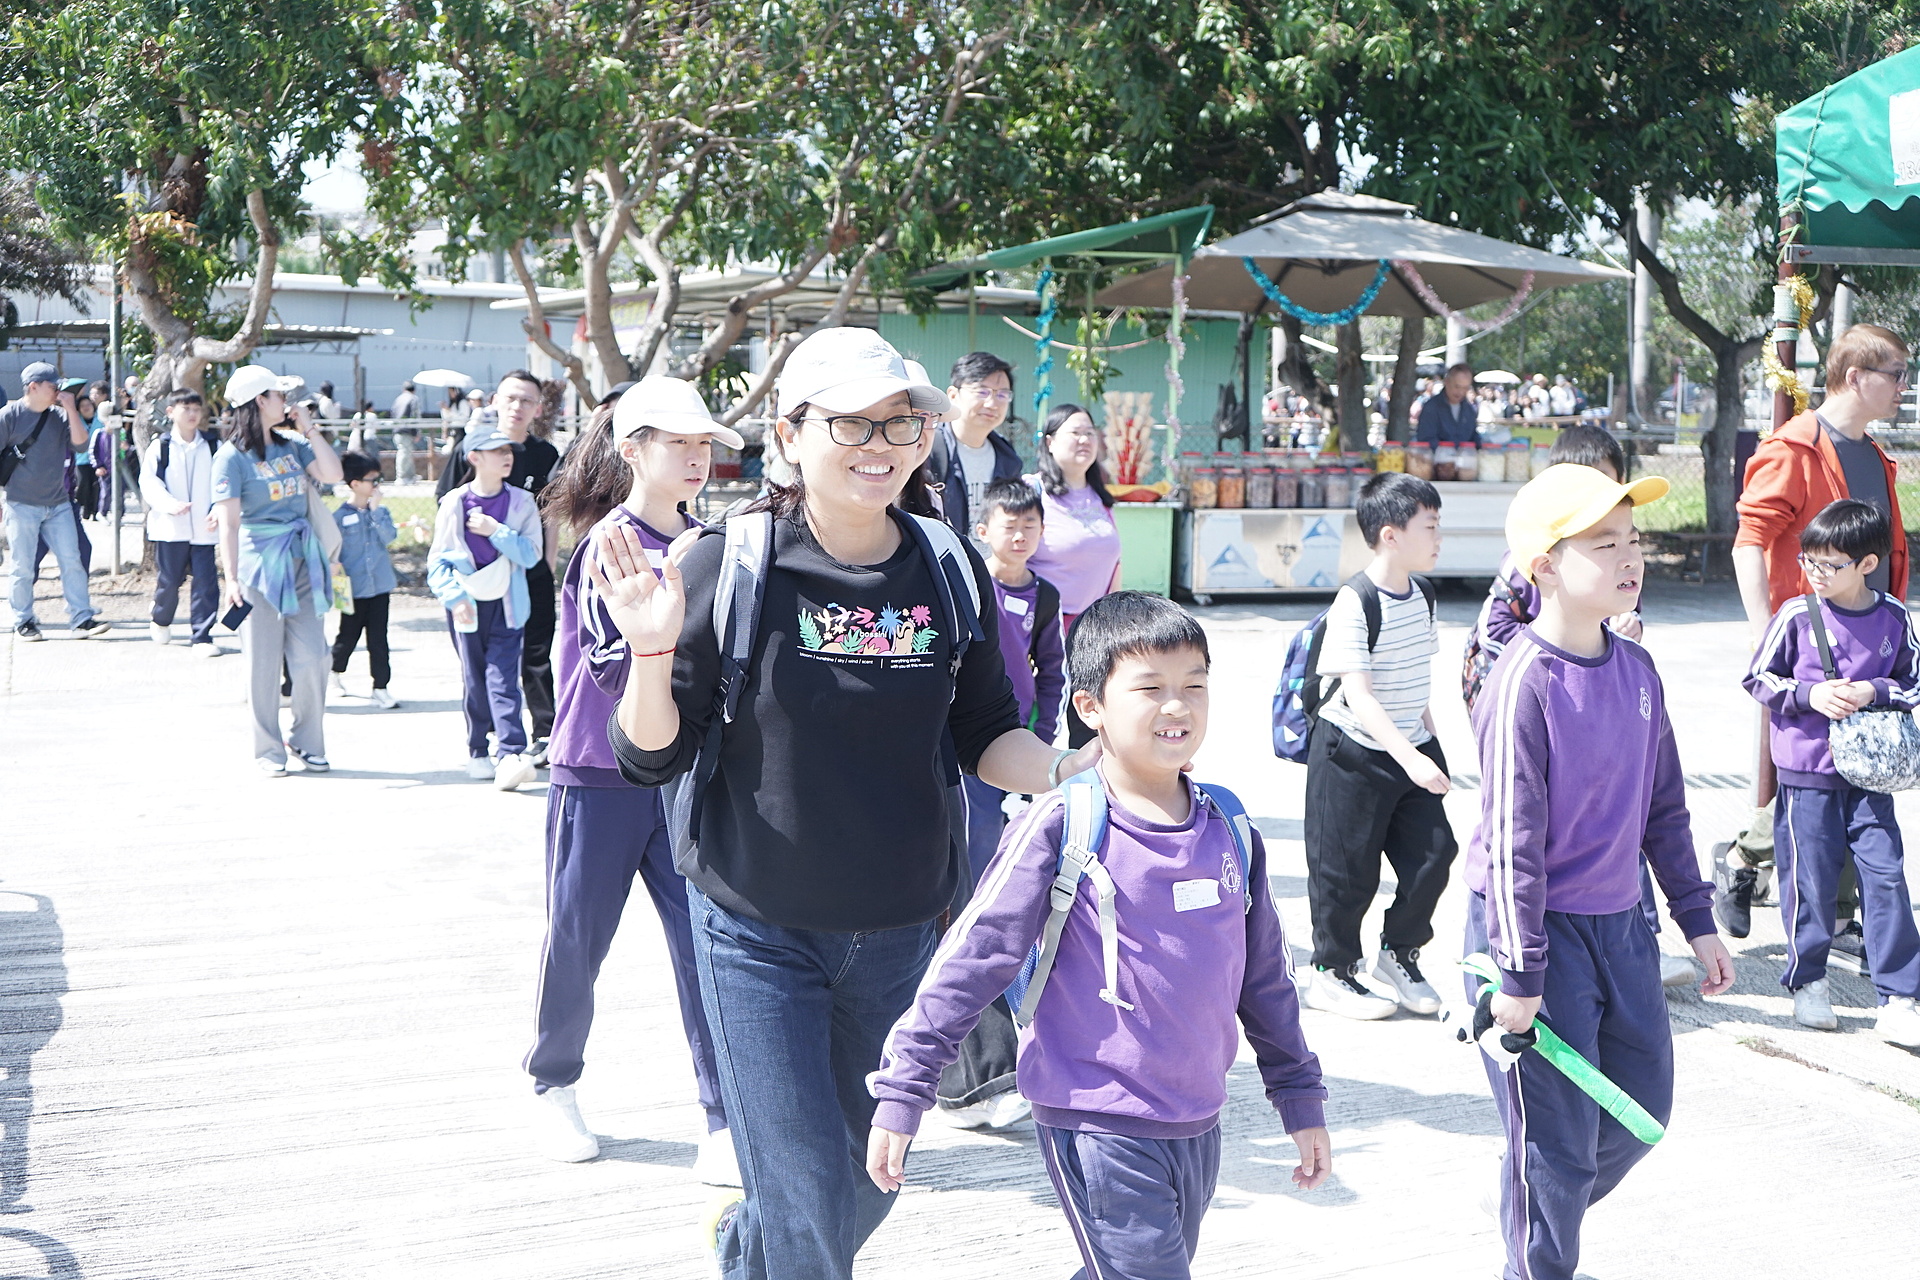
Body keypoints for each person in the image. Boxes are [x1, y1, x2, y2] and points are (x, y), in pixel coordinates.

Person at [595, 325, 1099, 1280]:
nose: (882, 445)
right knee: (802, 1191)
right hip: (756, 926)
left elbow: (986, 732)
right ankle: (766, 1240)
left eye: (902, 423)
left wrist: (1073, 769)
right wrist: (651, 652)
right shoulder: (728, 563)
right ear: (790, 435)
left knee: (867, 1180)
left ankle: (743, 1249)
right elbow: (650, 757)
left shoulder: (946, 564)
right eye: (853, 424)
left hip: (902, 929)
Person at [865, 591, 1331, 1278]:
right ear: (1091, 707)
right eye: (1150, 688)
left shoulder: (1229, 828)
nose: (1177, 707)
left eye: (1194, 686)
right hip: (1094, 1115)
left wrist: (1298, 1094)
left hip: (1197, 1116)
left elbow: (1264, 978)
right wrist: (906, 1086)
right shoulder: (1063, 824)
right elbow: (974, 956)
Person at [1465, 462, 1734, 1280]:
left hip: (1621, 926)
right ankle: (1537, 1250)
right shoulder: (1523, 682)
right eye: (1604, 542)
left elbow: (1665, 808)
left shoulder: (1637, 670)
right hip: (1532, 934)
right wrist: (1518, 974)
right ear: (1544, 566)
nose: (1631, 556)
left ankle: (1532, 1203)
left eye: (1633, 539)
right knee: (1557, 1145)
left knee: (1643, 1110)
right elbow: (1510, 840)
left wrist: (1697, 919)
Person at [522, 377, 741, 1177]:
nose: (696, 456)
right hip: (596, 773)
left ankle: (723, 1114)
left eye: (703, 443)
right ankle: (551, 1084)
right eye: (677, 442)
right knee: (577, 939)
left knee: (708, 947)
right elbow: (613, 668)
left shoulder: (712, 542)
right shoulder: (608, 544)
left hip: (683, 780)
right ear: (632, 449)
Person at [1724, 324, 1911, 953]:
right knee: (1816, 785)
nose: (1904, 387)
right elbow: (1749, 542)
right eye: (1897, 374)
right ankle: (1751, 865)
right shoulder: (1794, 449)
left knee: (1859, 775)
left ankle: (1827, 909)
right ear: (1856, 376)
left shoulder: (1875, 453)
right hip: (1813, 654)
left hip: (1871, 642)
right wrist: (1767, 640)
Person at [1742, 499, 1920, 1043]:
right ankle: (1808, 981)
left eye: (1829, 564)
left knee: (1886, 877)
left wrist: (1873, 690)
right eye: (1809, 561)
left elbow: (1912, 683)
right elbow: (1758, 679)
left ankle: (1899, 996)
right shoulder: (1796, 615)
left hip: (1869, 776)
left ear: (1867, 564)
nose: (1815, 572)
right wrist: (1809, 695)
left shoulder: (1894, 617)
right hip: (1806, 776)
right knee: (1810, 884)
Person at [935, 477, 1067, 1134]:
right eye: (1009, 525)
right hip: (956, 755)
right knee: (969, 892)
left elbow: (1053, 674)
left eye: (1030, 526)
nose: (1019, 536)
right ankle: (971, 1062)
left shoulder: (1044, 597)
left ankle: (999, 1048)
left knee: (990, 889)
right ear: (983, 529)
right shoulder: (960, 579)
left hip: (1009, 750)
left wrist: (1043, 752)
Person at [1300, 472, 1455, 1021]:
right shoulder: (1356, 601)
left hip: (1410, 745)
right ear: (1391, 535)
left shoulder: (1423, 594)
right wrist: (1412, 759)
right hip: (1352, 752)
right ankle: (1331, 972)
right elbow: (1360, 696)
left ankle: (1397, 953)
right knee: (1347, 873)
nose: (1439, 538)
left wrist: (1430, 742)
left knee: (1435, 854)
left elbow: (1414, 678)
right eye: (1430, 526)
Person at [213, 365, 344, 776]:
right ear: (259, 401)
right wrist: (231, 579)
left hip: (303, 562)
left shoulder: (293, 445)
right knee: (263, 664)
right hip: (259, 568)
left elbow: (333, 474)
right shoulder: (230, 457)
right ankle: (268, 751)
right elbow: (229, 525)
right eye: (277, 394)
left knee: (314, 656)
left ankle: (307, 741)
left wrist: (310, 429)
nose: (285, 401)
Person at [436, 371, 562, 763]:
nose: (518, 407)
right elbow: (446, 503)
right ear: (495, 401)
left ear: (538, 408)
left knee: (536, 653)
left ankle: (542, 733)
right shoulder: (470, 448)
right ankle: (488, 735)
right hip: (475, 579)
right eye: (511, 398)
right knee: (480, 664)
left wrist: (548, 560)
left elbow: (552, 514)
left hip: (527, 567)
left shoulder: (545, 454)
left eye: (527, 400)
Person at [428, 422, 543, 790]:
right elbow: (438, 561)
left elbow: (531, 554)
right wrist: (455, 598)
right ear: (474, 457)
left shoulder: (522, 502)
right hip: (466, 605)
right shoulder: (454, 502)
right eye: (498, 451)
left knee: (503, 678)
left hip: (509, 605)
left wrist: (497, 531)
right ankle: (478, 749)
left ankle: (510, 752)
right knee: (475, 678)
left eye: (509, 451)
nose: (507, 457)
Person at [1, 362, 108, 641]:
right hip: (21, 504)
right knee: (23, 567)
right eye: (53, 386)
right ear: (33, 387)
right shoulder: (8, 416)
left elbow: (81, 444)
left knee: (72, 560)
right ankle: (24, 620)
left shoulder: (59, 415)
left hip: (59, 503)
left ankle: (81, 618)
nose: (58, 390)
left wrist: (71, 409)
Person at [140, 388, 221, 653]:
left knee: (206, 583)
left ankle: (202, 636)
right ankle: (161, 618)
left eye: (197, 409)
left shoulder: (213, 445)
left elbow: (223, 482)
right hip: (170, 528)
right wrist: (169, 504)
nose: (192, 414)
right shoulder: (160, 446)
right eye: (186, 409)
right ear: (171, 412)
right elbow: (149, 483)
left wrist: (218, 509)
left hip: (204, 528)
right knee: (170, 581)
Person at [328, 452, 400, 708]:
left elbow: (389, 537)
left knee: (379, 639)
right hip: (353, 589)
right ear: (355, 483)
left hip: (379, 587)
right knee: (347, 636)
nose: (377, 486)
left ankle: (380, 687)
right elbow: (333, 552)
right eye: (372, 480)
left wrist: (375, 511)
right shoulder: (338, 517)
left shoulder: (380, 512)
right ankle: (334, 672)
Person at [930, 351, 1024, 542]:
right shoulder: (929, 449)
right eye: (982, 392)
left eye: (1002, 394)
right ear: (953, 395)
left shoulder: (1008, 459)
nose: (992, 403)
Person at [1413, 362, 1479, 445]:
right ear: (1446, 382)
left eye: (1465, 388)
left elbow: (1474, 437)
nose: (1461, 392)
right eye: (1457, 386)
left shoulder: (1469, 410)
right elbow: (1425, 440)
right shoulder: (1431, 408)